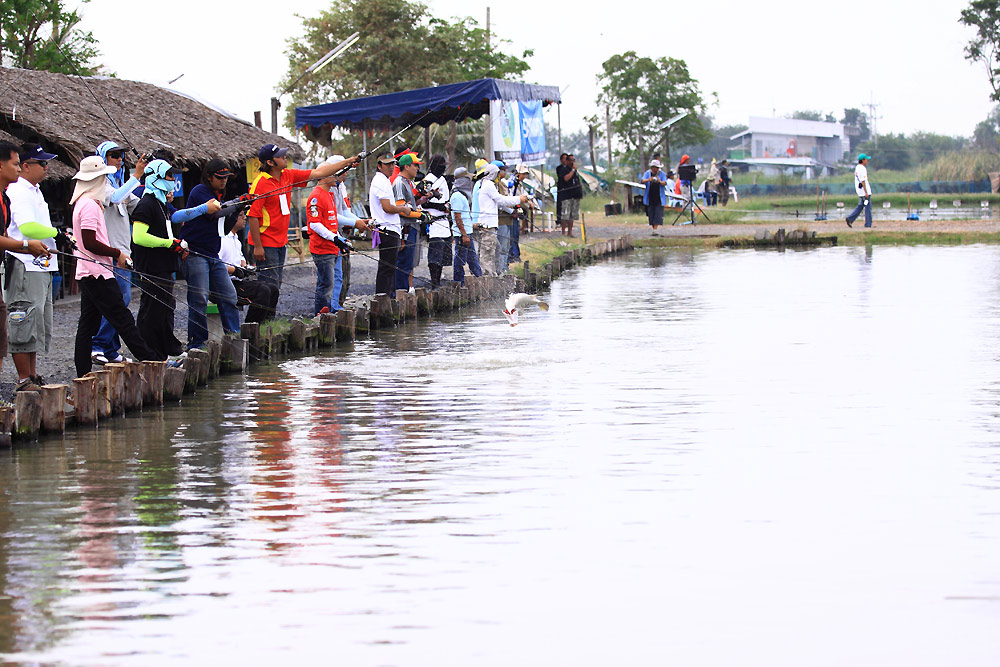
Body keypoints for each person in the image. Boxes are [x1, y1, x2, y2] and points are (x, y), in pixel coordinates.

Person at [70, 155, 158, 378]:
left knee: (88, 324)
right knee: (123, 318)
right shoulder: (89, 205)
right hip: (97, 273)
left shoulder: (82, 202)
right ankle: (152, 361)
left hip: (89, 271)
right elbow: (90, 241)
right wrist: (117, 253)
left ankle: (83, 373)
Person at [131, 159, 219, 359]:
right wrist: (168, 244)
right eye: (170, 176)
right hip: (151, 266)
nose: (173, 180)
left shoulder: (161, 205)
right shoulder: (146, 205)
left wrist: (176, 244)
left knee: (166, 306)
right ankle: (149, 352)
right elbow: (139, 236)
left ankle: (165, 347)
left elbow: (167, 230)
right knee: (152, 309)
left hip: (164, 264)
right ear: (157, 178)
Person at [247, 144, 359, 292]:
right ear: (270, 162)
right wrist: (258, 246)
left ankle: (269, 315)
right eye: (280, 156)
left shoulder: (287, 175)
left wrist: (347, 162)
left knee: (275, 285)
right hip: (266, 242)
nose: (284, 157)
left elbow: (319, 173)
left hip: (281, 240)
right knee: (268, 285)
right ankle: (264, 316)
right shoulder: (260, 184)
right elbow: (253, 216)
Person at [3, 143, 58, 391]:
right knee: (22, 319)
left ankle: (32, 376)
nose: (47, 168)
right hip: (25, 263)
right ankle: (23, 378)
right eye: (42, 164)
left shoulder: (35, 191)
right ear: (26, 166)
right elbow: (27, 228)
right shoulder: (18, 191)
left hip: (41, 264)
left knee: (36, 323)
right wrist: (57, 232)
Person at [90, 141, 147, 365]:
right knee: (118, 300)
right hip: (110, 254)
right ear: (103, 158)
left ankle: (111, 349)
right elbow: (114, 198)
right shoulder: (100, 183)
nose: (119, 159)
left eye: (121, 155)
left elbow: (137, 205)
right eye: (114, 155)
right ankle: (98, 345)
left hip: (124, 253)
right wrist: (137, 175)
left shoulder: (119, 184)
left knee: (120, 301)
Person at [178, 158, 241, 350]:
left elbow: (223, 225)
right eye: (219, 177)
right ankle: (196, 343)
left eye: (226, 177)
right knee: (199, 298)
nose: (224, 181)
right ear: (208, 177)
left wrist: (241, 206)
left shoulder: (218, 195)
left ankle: (234, 338)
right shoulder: (200, 191)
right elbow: (215, 212)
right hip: (195, 253)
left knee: (229, 296)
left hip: (213, 255)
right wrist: (238, 202)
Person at [307, 156, 354, 314]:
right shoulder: (316, 196)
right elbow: (314, 223)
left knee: (335, 281)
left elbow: (333, 221)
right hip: (322, 248)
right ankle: (321, 316)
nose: (337, 177)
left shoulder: (330, 195)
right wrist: (334, 237)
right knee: (325, 284)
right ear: (325, 175)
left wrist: (340, 239)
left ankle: (331, 312)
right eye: (334, 174)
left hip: (334, 247)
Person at [219, 215, 278, 324]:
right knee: (263, 291)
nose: (244, 218)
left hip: (239, 282)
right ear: (232, 219)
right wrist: (235, 271)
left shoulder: (236, 240)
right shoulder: (222, 240)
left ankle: (266, 326)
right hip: (226, 285)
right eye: (240, 215)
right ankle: (251, 327)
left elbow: (241, 260)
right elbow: (215, 265)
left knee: (273, 289)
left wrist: (246, 268)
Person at [369, 153, 411, 295]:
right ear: (379, 166)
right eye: (387, 164)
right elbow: (387, 207)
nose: (391, 167)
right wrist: (403, 209)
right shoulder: (381, 181)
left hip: (388, 229)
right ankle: (383, 299)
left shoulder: (384, 180)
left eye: (393, 164)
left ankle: (386, 299)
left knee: (388, 268)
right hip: (387, 229)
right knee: (387, 268)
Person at [477, 163, 528, 275]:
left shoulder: (489, 185)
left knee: (497, 249)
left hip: (491, 224)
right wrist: (519, 199)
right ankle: (486, 275)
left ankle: (495, 273)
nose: (499, 177)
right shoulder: (488, 185)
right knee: (487, 251)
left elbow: (500, 202)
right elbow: (501, 200)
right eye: (497, 174)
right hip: (488, 224)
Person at [392, 153, 424, 293]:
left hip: (412, 226)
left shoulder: (408, 182)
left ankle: (403, 292)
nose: (417, 169)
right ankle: (400, 294)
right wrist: (419, 215)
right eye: (415, 165)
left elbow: (410, 205)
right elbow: (401, 209)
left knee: (409, 263)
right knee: (403, 263)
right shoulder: (399, 183)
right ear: (406, 166)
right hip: (405, 228)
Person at [423, 155, 452, 288]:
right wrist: (439, 207)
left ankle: (439, 280)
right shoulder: (427, 180)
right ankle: (434, 281)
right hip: (434, 221)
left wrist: (446, 206)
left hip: (444, 220)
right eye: (441, 166)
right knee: (435, 253)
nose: (443, 169)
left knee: (443, 256)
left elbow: (445, 199)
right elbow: (423, 203)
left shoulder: (443, 180)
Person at [450, 166, 481, 285]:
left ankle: (479, 280)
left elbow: (463, 216)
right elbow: (458, 217)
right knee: (460, 260)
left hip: (467, 233)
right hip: (463, 235)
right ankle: (458, 283)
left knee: (472, 260)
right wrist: (464, 235)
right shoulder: (457, 196)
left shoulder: (461, 195)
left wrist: (472, 226)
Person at [494, 161, 516, 273]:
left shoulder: (503, 183)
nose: (505, 171)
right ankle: (500, 270)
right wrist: (512, 211)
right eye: (503, 169)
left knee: (507, 246)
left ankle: (504, 269)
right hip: (501, 220)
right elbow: (501, 202)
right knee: (502, 247)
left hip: (508, 220)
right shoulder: (496, 185)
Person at [508, 163, 532, 263]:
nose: (525, 176)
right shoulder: (512, 183)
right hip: (510, 212)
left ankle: (515, 255)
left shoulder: (520, 184)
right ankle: (513, 256)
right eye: (523, 174)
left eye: (526, 174)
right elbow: (514, 199)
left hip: (516, 211)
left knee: (515, 234)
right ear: (518, 174)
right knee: (512, 235)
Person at [556, 153, 582, 237]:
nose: (573, 162)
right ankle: (563, 232)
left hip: (575, 195)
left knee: (572, 215)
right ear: (567, 161)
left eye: (574, 160)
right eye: (571, 160)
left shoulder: (575, 171)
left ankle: (570, 232)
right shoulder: (564, 169)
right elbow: (566, 178)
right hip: (566, 195)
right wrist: (572, 170)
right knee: (565, 214)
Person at [640, 159, 668, 235]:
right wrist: (649, 180)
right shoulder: (647, 173)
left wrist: (659, 181)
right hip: (650, 197)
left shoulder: (662, 174)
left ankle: (655, 229)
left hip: (659, 197)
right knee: (651, 213)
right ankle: (653, 228)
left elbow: (665, 182)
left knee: (658, 214)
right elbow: (642, 181)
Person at [846, 153, 873, 228]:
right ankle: (868, 224)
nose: (867, 161)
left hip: (860, 192)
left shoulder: (857, 168)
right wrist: (866, 192)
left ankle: (850, 218)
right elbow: (863, 180)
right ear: (863, 160)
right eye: (866, 159)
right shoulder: (862, 168)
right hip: (864, 192)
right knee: (867, 207)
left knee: (861, 206)